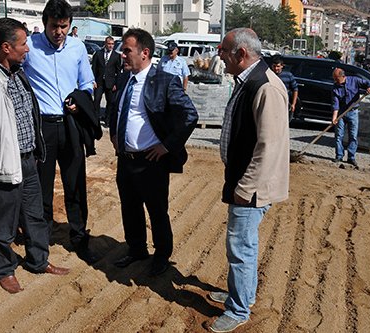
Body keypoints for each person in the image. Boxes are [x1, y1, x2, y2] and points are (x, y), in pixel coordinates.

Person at [0, 18, 70, 294]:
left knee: (35, 217)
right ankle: (4, 269)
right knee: (3, 224)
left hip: (29, 160)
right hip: (4, 166)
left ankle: (38, 260)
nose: (28, 49)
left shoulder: (16, 72)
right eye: (23, 44)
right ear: (6, 47)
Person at [207, 28, 290, 333]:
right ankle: (241, 294)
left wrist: (246, 188)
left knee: (240, 246)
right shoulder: (251, 81)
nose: (220, 55)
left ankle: (238, 309)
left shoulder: (265, 86)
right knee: (245, 244)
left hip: (252, 187)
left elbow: (268, 146)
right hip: (246, 182)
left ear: (241, 54)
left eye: (224, 51)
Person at [110, 28, 197, 276]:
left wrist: (167, 145)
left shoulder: (165, 81)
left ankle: (161, 255)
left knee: (157, 210)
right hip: (126, 159)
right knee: (130, 207)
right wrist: (115, 135)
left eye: (127, 50)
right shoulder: (125, 78)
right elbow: (116, 110)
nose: (122, 55)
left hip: (151, 161)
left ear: (145, 52)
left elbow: (189, 115)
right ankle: (136, 249)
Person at [22, 0, 101, 264]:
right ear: (45, 23)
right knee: (41, 188)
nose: (59, 32)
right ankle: (40, 243)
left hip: (70, 124)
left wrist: (81, 99)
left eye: (64, 26)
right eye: (54, 26)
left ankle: (79, 239)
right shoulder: (30, 47)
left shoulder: (77, 48)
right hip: (42, 127)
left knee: (75, 185)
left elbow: (87, 82)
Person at [331, 68, 370, 166]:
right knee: (338, 136)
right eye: (334, 79)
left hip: (353, 112)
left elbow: (368, 83)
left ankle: (351, 157)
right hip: (341, 113)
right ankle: (339, 156)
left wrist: (369, 88)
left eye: (337, 79)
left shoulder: (354, 80)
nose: (335, 81)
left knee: (353, 136)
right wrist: (334, 118)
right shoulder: (335, 88)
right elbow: (335, 104)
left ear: (343, 76)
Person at [91, 36, 122, 126]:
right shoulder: (98, 54)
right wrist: (93, 81)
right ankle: (95, 119)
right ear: (105, 44)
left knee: (110, 102)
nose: (111, 46)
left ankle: (107, 120)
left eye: (112, 44)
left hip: (110, 83)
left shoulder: (116, 56)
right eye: (109, 44)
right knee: (96, 100)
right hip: (99, 82)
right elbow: (94, 68)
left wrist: (116, 83)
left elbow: (118, 71)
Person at [270, 55, 298, 121]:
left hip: (284, 103)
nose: (276, 68)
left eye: (278, 66)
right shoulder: (269, 74)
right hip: (271, 102)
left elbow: (295, 89)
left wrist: (293, 104)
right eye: (274, 66)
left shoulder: (288, 75)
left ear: (282, 66)